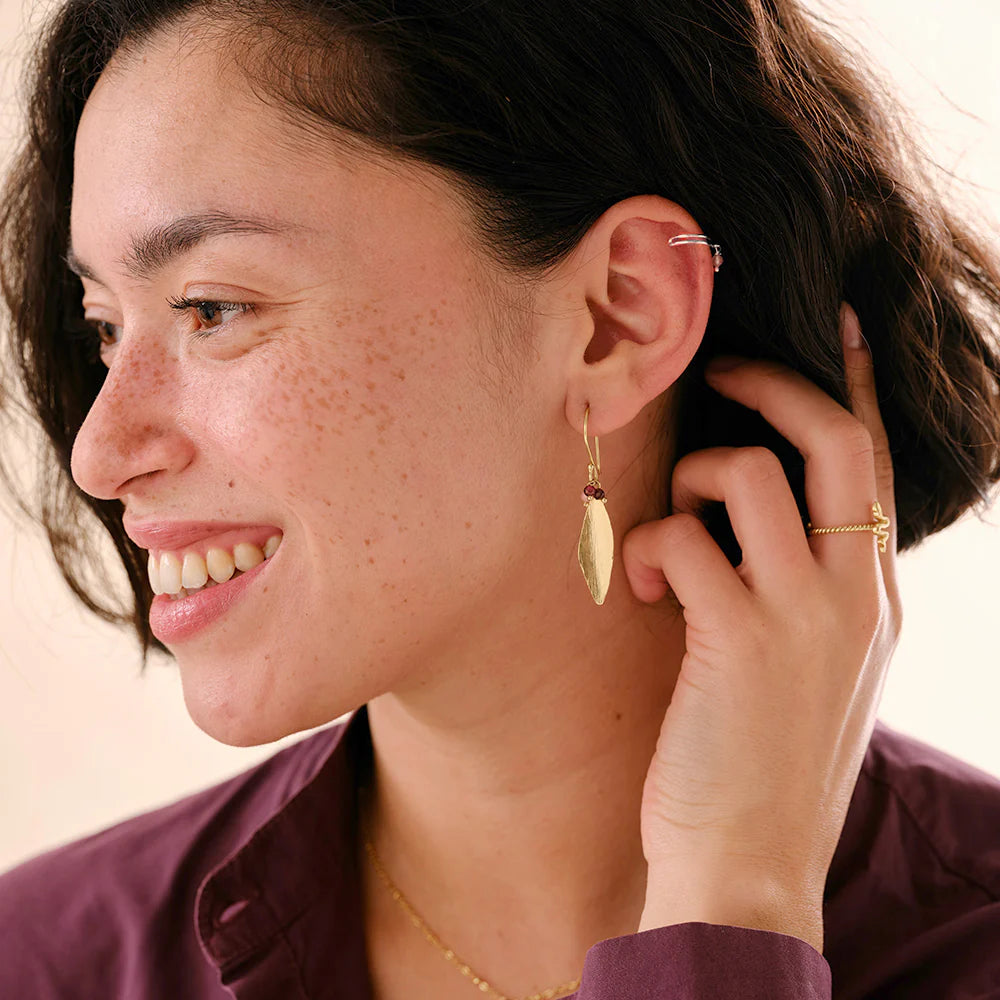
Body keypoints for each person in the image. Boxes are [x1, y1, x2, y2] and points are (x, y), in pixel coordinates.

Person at [1, 0, 999, 997]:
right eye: (102, 325)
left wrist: (734, 900)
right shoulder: (45, 964)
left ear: (617, 315)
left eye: (212, 308)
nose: (100, 451)